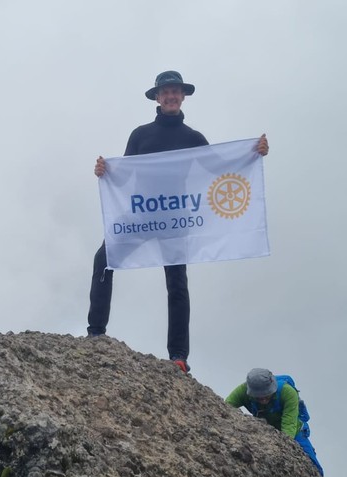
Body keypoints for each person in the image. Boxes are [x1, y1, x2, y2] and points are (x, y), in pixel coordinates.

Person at [86, 70, 269, 373]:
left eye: (175, 91)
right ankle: (95, 333)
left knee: (177, 282)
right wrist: (105, 170)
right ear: (157, 98)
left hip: (175, 218)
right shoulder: (141, 134)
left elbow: (220, 168)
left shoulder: (192, 138)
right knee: (103, 260)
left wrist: (253, 153)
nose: (171, 96)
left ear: (183, 96)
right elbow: (126, 170)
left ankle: (179, 356)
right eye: (165, 92)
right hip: (142, 212)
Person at [225, 368, 324, 476]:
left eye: (267, 394)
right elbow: (225, 407)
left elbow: (289, 425)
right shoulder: (243, 391)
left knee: (314, 468)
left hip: (295, 432)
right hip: (266, 432)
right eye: (258, 396)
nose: (263, 399)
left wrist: (281, 447)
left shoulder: (287, 392)